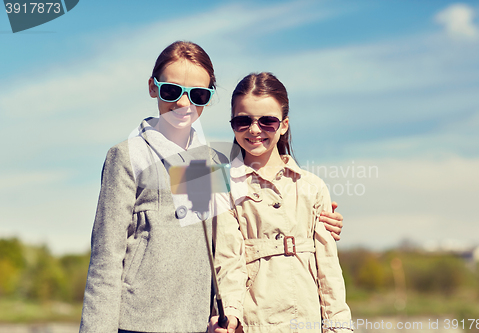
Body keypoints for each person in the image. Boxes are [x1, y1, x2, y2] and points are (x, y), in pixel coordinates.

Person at [79, 41, 344, 333]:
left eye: (198, 94)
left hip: (202, 323)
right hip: (140, 322)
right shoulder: (128, 156)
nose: (183, 103)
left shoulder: (215, 162)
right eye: (171, 90)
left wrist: (321, 220)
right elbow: (106, 260)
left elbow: (239, 231)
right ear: (153, 88)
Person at [210, 73, 352, 333]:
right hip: (252, 323)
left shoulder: (313, 187)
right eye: (243, 121)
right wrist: (229, 315)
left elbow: (329, 271)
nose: (254, 130)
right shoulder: (221, 183)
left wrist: (339, 327)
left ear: (284, 125)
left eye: (267, 121)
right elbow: (228, 262)